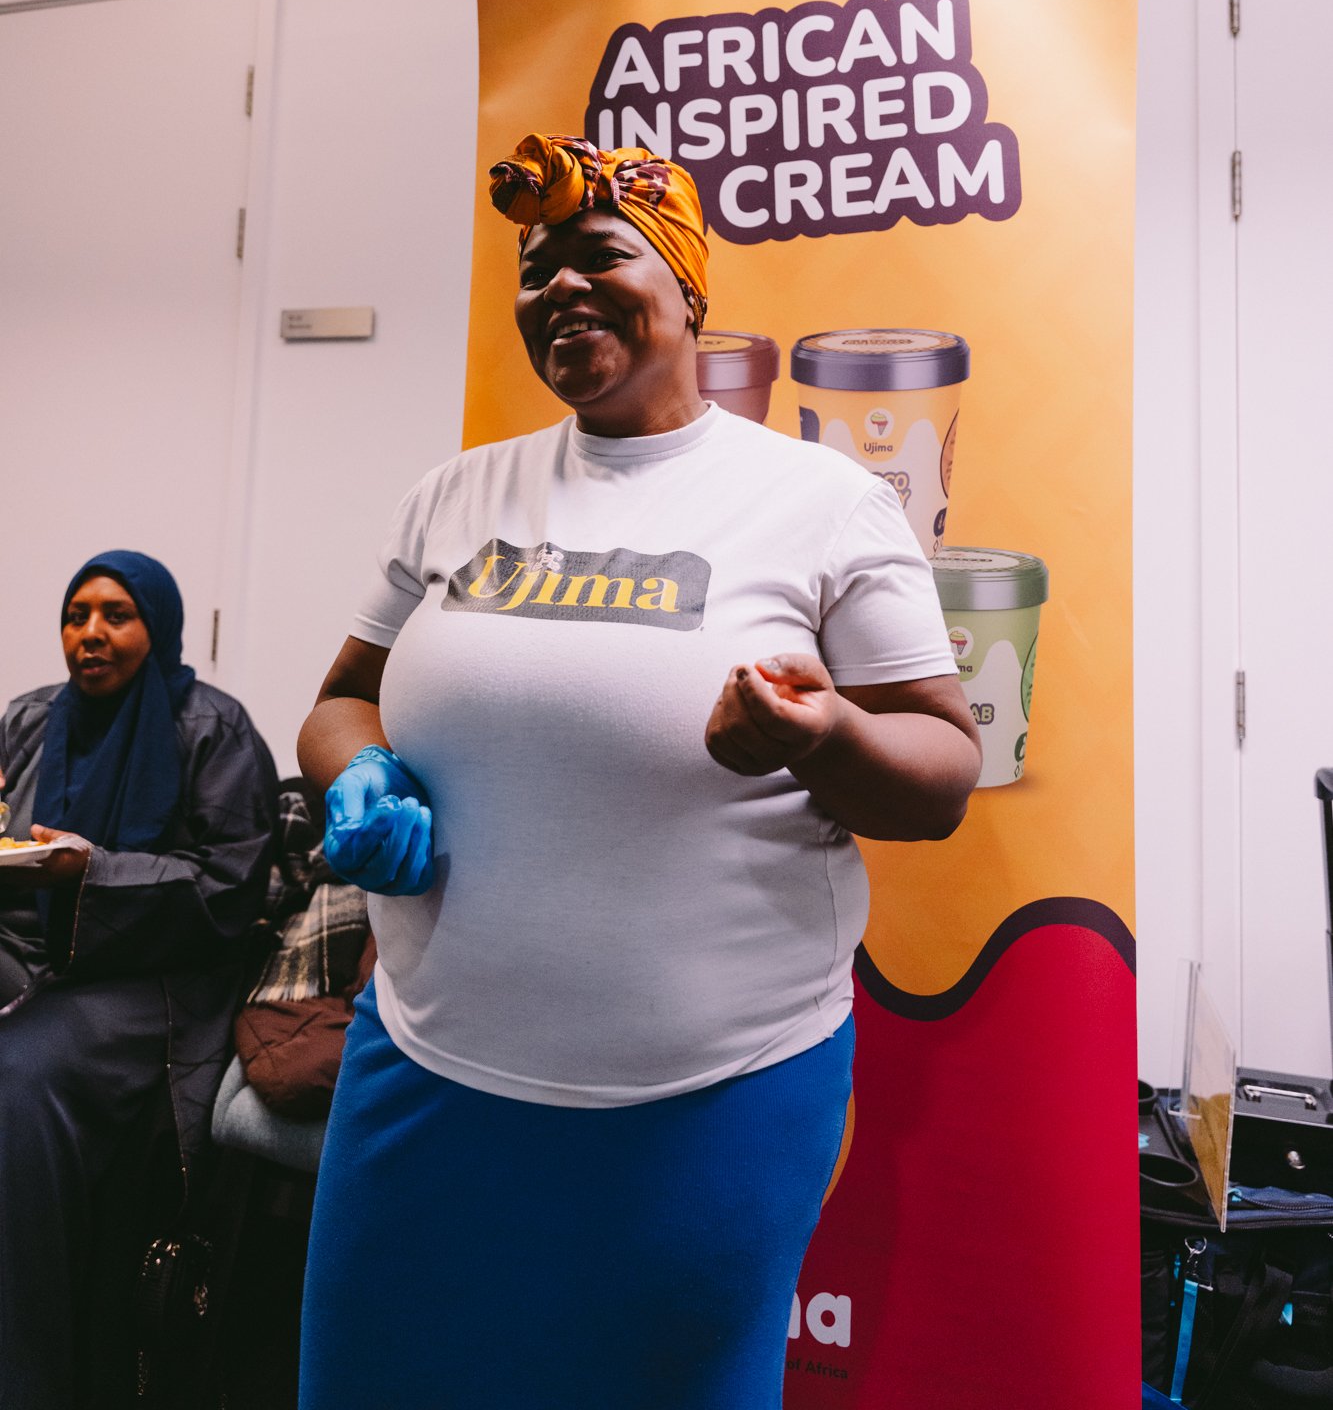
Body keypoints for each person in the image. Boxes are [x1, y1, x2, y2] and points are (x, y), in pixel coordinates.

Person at [297, 134, 981, 1410]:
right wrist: (363, 770)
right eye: (533, 266)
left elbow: (940, 767)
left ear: (686, 286)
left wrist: (821, 735)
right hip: (428, 1074)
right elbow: (341, 697)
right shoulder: (457, 494)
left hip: (707, 1099)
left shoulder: (820, 501)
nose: (556, 284)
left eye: (598, 252)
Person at [0, 550, 278, 1410]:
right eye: (75, 614)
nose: (90, 634)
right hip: (26, 947)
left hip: (152, 977)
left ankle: (24, 1373)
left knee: (16, 1079)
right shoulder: (29, 718)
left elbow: (232, 891)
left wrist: (93, 872)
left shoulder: (212, 727)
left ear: (155, 627)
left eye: (115, 614)